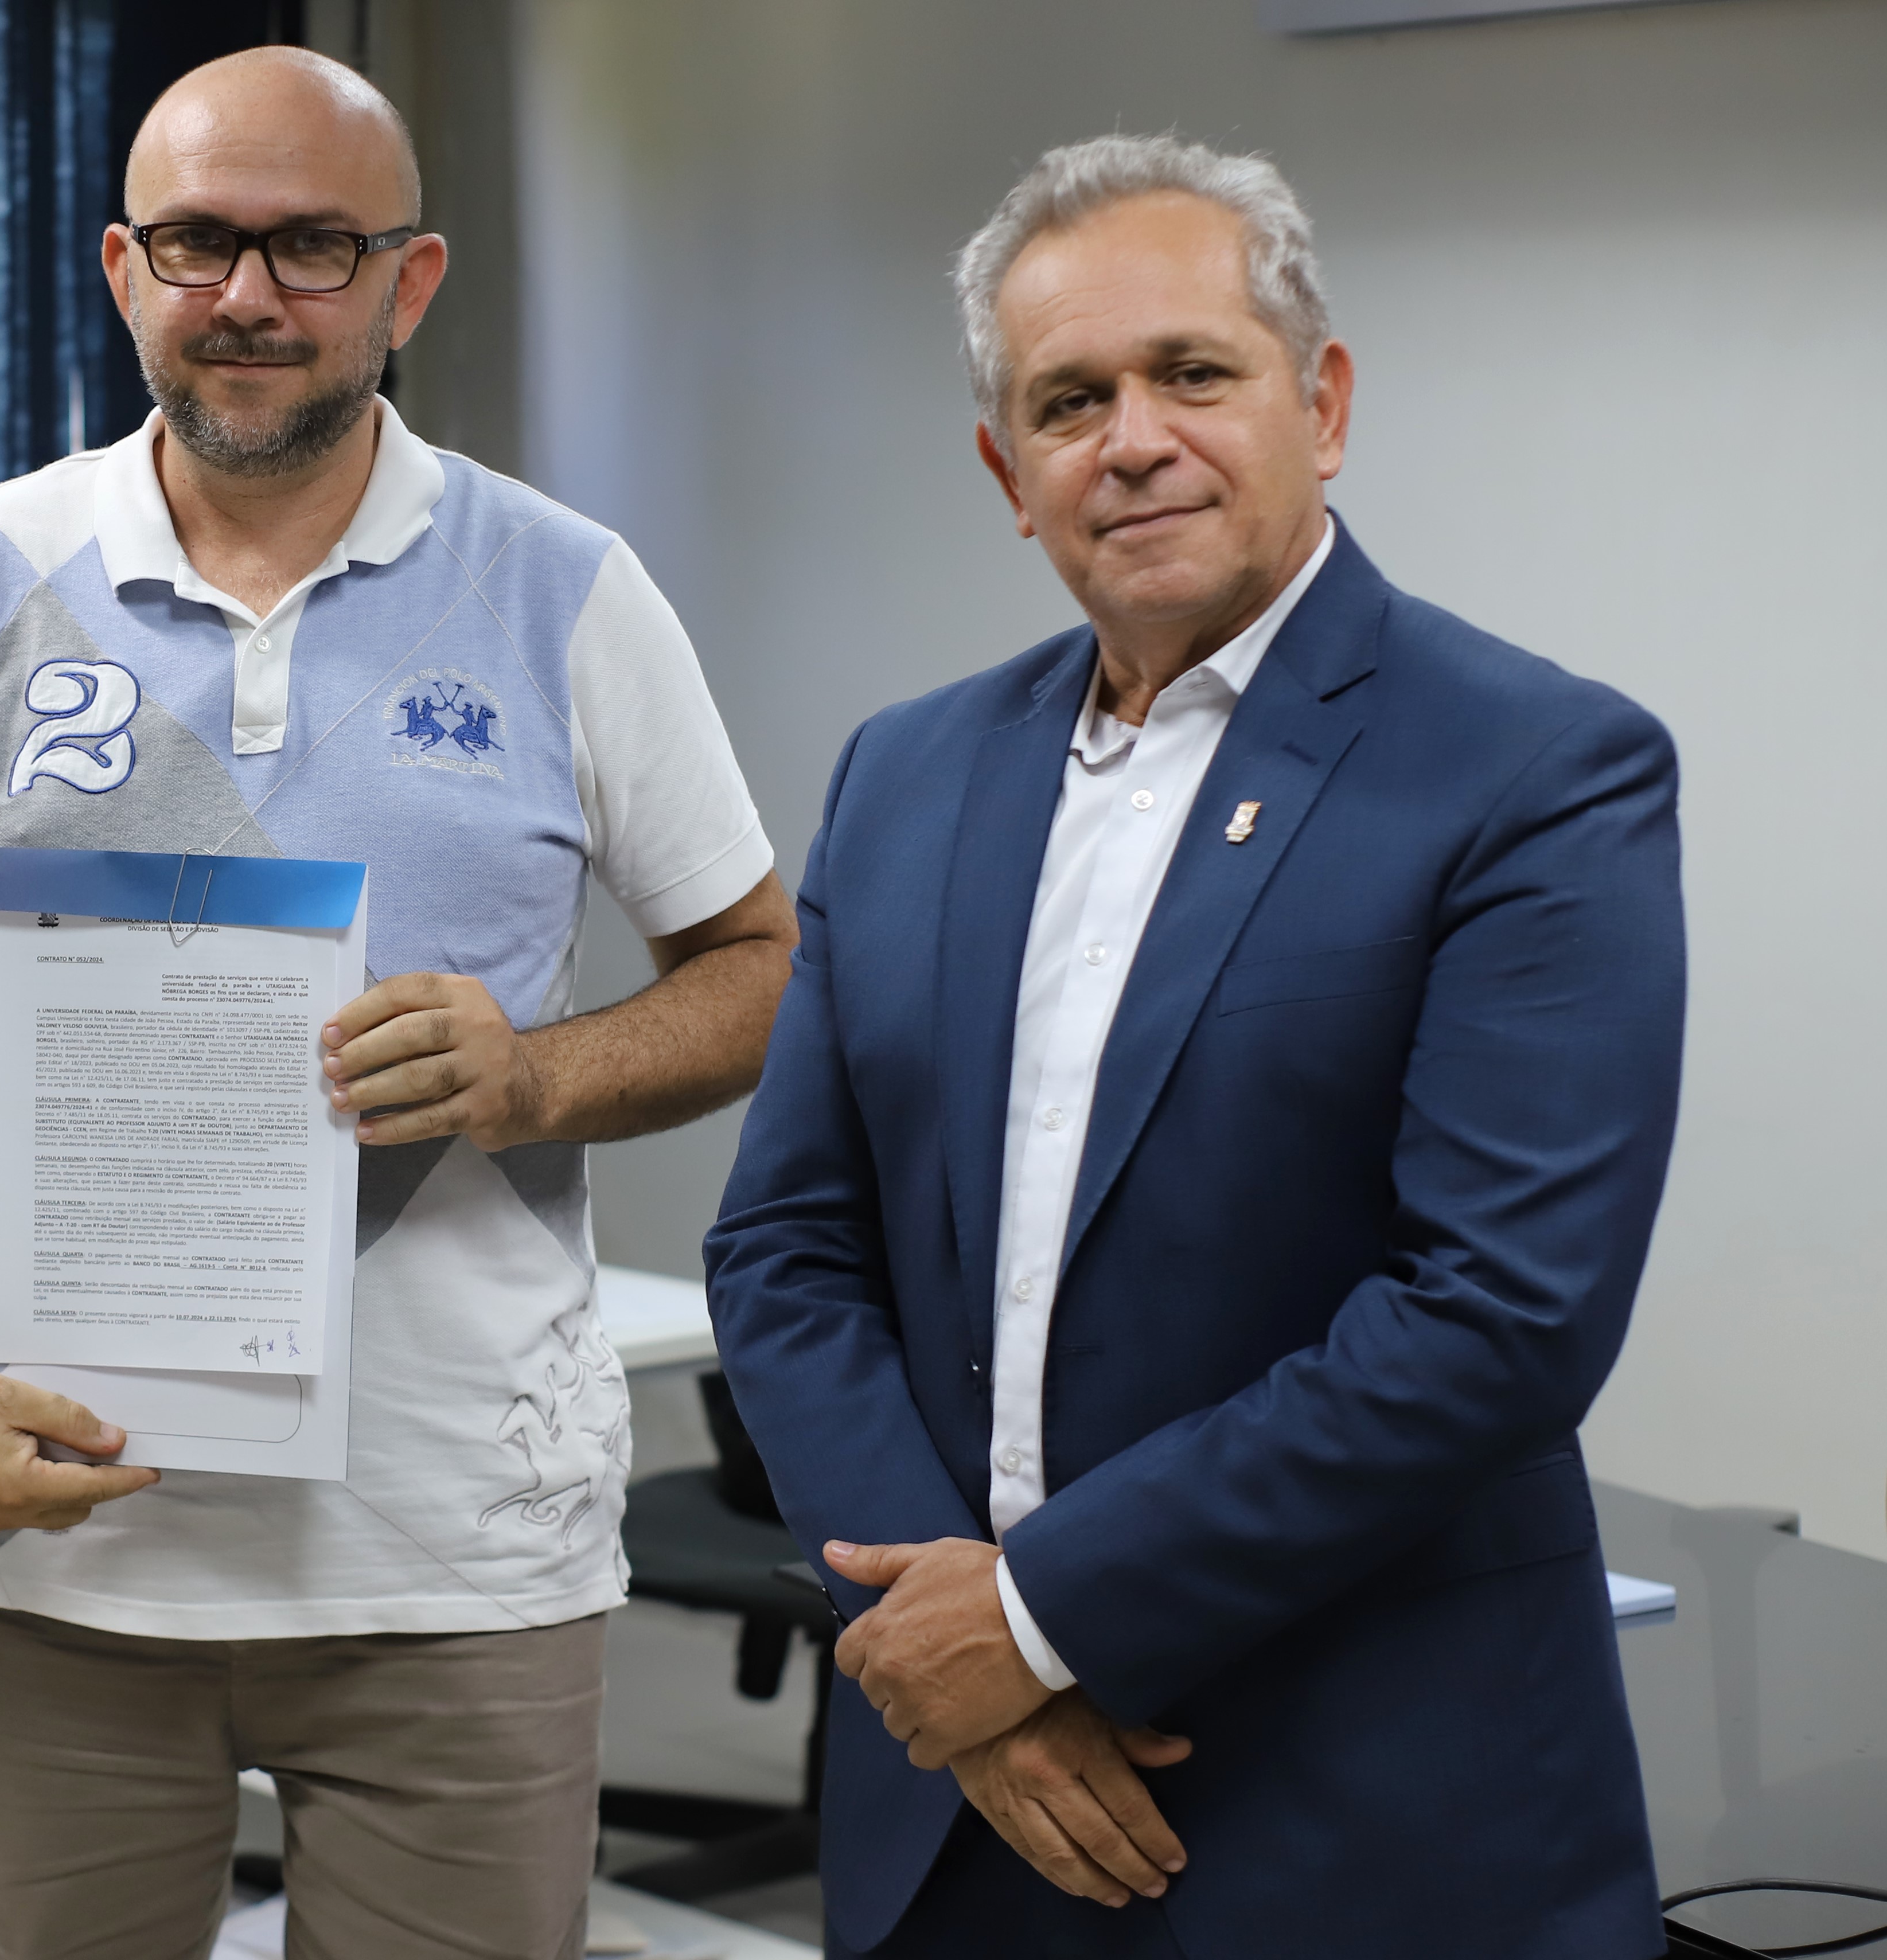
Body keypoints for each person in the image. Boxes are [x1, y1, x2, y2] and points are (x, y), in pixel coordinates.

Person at [0, 45, 793, 1960]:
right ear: (121, 268)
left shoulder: (562, 589)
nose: (245, 295)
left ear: (409, 281)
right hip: (67, 1544)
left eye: (312, 246)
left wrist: (530, 1074)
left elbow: (753, 970)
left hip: (453, 1552)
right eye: (196, 242)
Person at [704, 134, 1686, 1959]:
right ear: (1007, 473)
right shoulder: (902, 773)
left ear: (1321, 403)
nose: (1133, 439)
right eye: (1068, 400)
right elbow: (783, 1246)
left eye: (1191, 372)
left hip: (1361, 1811)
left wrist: (1031, 1620)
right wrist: (944, 1643)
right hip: (955, 1806)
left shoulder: (1534, 769)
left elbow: (1497, 1310)